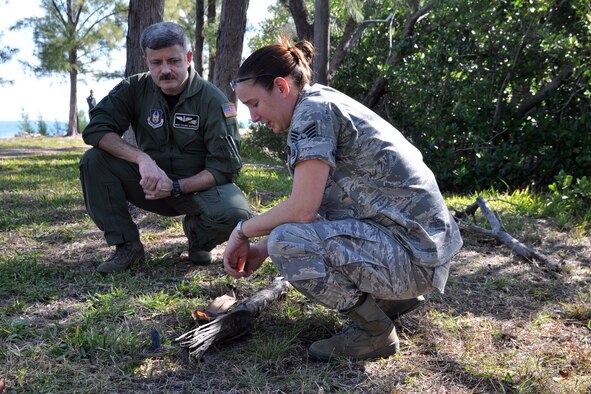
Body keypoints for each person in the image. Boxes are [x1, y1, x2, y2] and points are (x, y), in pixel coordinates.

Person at [223, 37, 463, 361]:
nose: (252, 117)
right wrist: (261, 251)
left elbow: (302, 210)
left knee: (286, 241)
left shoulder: (312, 114)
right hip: (423, 252)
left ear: (281, 87)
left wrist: (242, 231)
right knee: (283, 239)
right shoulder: (320, 102)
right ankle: (389, 300)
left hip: (414, 259)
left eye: (254, 103)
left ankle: (374, 332)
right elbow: (321, 207)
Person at [79, 22, 252, 275]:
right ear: (147, 61)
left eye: (173, 60)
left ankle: (198, 239)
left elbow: (225, 169)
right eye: (156, 63)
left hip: (196, 191)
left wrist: (177, 186)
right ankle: (127, 247)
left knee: (237, 213)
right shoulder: (134, 88)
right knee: (93, 160)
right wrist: (141, 159)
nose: (165, 70)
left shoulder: (214, 101)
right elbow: (96, 129)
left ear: (188, 57)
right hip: (148, 185)